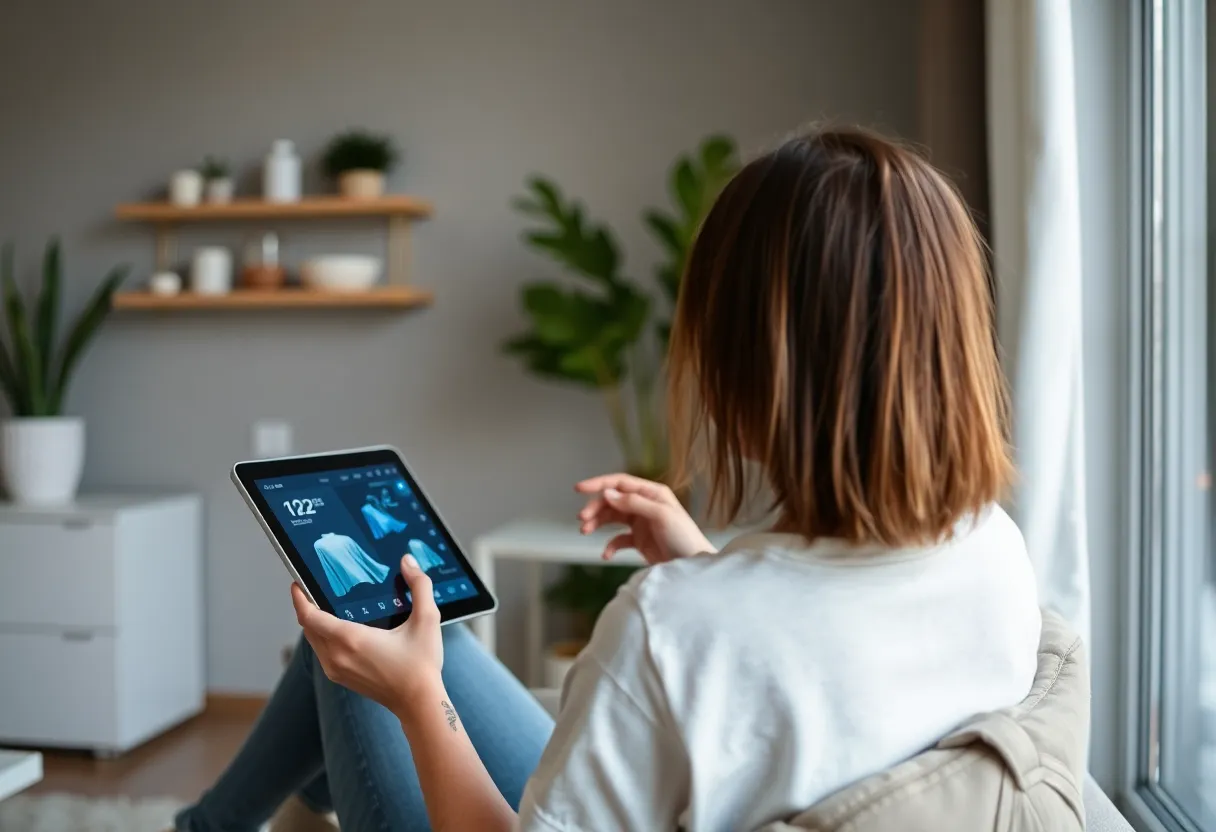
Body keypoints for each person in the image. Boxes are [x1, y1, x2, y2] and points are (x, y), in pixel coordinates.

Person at [173, 128, 1040, 832]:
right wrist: (702, 563)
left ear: (744, 364)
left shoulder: (669, 633)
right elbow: (813, 680)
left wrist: (418, 698)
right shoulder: (992, 549)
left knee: (362, 634)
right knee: (399, 624)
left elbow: (743, 658)